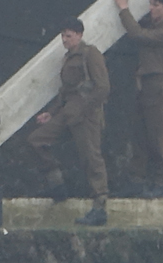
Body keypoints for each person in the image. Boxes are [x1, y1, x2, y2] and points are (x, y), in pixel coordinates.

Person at [26, 17, 110, 226]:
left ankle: (100, 206)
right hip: (67, 110)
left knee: (91, 158)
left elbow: (103, 88)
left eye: (69, 35)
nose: (64, 39)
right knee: (36, 140)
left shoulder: (90, 54)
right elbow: (65, 92)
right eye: (63, 35)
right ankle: (57, 185)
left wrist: (84, 109)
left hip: (86, 113)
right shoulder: (68, 58)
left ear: (80, 35)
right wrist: (52, 113)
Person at [115, 0, 163, 197]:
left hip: (159, 84)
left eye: (156, 5)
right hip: (144, 84)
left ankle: (160, 182)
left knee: (159, 134)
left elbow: (136, 34)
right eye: (151, 4)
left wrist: (123, 8)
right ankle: (137, 180)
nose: (151, 8)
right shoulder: (154, 25)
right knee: (140, 134)